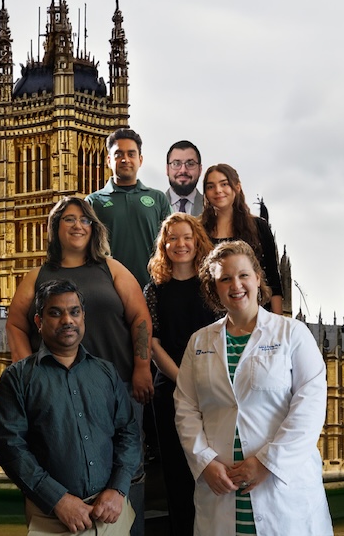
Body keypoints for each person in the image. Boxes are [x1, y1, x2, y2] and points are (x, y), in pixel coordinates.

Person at [5, 196, 153, 535]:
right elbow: (14, 323)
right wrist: (28, 371)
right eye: (68, 219)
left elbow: (140, 318)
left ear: (94, 227)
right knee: (58, 467)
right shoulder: (37, 274)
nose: (77, 225)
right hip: (55, 393)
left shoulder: (111, 268)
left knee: (127, 472)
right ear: (55, 229)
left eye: (84, 219)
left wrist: (142, 368)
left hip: (117, 388)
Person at [174, 241, 334, 536]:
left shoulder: (292, 334)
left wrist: (267, 463)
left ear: (258, 279)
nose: (236, 285)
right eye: (225, 279)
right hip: (220, 488)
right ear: (214, 288)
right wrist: (205, 462)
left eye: (243, 275)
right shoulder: (199, 342)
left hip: (281, 487)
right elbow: (185, 407)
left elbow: (310, 407)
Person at [0, 279, 141, 535]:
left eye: (74, 312)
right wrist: (57, 499)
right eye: (55, 313)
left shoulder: (106, 372)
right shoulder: (17, 379)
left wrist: (118, 489)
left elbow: (128, 433)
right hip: (51, 519)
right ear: (39, 322)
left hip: (111, 515)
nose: (67, 320)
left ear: (83, 317)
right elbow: (11, 449)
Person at [143, 213, 216, 535]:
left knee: (213, 467)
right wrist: (185, 381)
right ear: (164, 245)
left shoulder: (213, 286)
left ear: (197, 241)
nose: (180, 244)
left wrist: (204, 383)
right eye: (172, 238)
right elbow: (153, 344)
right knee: (176, 472)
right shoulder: (154, 289)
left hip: (214, 387)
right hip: (170, 388)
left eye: (187, 237)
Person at [86, 128, 171, 287]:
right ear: (109, 160)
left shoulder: (158, 199)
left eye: (131, 154)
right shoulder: (93, 202)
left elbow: (171, 243)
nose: (125, 159)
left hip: (154, 287)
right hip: (109, 288)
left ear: (140, 159)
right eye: (119, 155)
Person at [201, 163, 283, 314]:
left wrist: (277, 323)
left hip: (254, 315)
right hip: (207, 316)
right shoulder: (198, 229)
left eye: (224, 184)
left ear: (237, 187)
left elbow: (273, 278)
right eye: (210, 186)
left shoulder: (259, 227)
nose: (218, 190)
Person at [164, 140, 204, 216]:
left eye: (190, 164)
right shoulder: (153, 208)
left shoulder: (212, 208)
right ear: (167, 169)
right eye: (176, 164)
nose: (183, 170)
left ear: (200, 169)